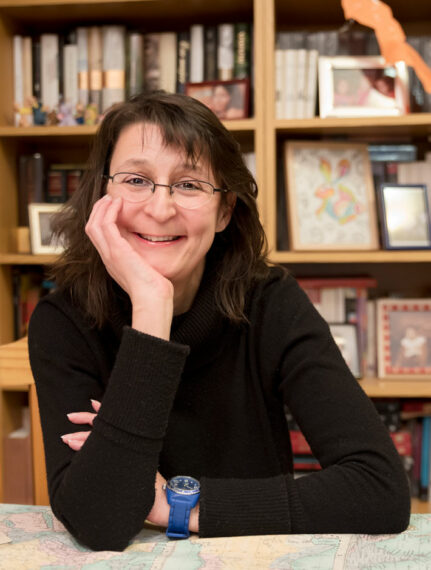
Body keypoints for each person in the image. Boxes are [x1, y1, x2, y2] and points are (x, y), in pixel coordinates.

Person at [28, 91, 410, 552]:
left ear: (225, 210)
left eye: (189, 185)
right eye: (136, 180)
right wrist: (151, 309)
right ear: (103, 195)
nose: (160, 209)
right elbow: (98, 522)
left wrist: (182, 505)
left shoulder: (271, 303)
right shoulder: (63, 321)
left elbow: (380, 489)